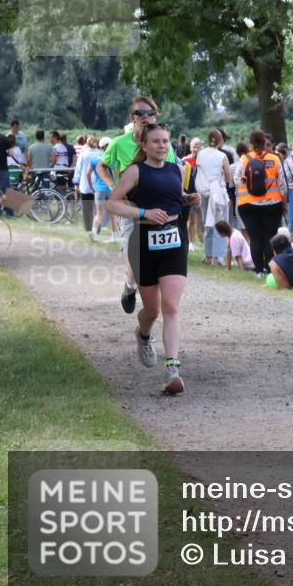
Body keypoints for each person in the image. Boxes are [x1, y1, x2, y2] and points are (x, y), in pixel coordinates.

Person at [105, 123, 200, 394]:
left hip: (174, 241)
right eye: (156, 141)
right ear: (144, 145)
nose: (162, 146)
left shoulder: (177, 169)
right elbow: (112, 203)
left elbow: (175, 197)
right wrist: (144, 213)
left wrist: (189, 199)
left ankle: (172, 369)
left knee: (171, 305)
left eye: (165, 141)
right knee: (152, 311)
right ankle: (144, 335)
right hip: (144, 243)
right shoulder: (135, 171)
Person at [97, 96, 179, 314]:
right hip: (130, 206)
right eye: (140, 113)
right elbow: (101, 167)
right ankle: (130, 285)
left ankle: (156, 304)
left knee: (159, 261)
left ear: (155, 117)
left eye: (150, 113)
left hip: (157, 207)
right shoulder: (119, 143)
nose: (145, 117)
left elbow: (171, 173)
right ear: (132, 117)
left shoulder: (163, 144)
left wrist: (185, 196)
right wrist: (114, 185)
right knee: (134, 264)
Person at [235, 129, 287, 276]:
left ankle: (259, 271)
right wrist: (284, 204)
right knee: (269, 237)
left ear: (251, 143)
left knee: (255, 237)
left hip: (248, 205)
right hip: (272, 205)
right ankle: (270, 269)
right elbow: (282, 185)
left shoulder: (244, 159)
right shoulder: (274, 159)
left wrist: (247, 181)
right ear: (265, 142)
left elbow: (237, 180)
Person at [196, 129, 232, 265]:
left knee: (207, 223)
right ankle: (217, 258)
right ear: (220, 140)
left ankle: (208, 255)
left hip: (204, 192)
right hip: (217, 194)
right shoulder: (222, 156)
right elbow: (228, 177)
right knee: (220, 223)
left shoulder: (200, 154)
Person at [89, 137, 115, 241]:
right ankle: (114, 237)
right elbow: (114, 174)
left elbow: (88, 173)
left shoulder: (95, 158)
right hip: (111, 189)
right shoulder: (111, 157)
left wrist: (91, 187)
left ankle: (94, 233)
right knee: (113, 214)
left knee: (99, 214)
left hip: (99, 189)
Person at [73, 135, 100, 232]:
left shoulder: (83, 154)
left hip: (85, 185)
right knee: (98, 209)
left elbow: (78, 169)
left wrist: (76, 182)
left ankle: (88, 227)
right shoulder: (101, 154)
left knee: (86, 209)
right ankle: (97, 228)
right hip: (98, 184)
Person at [275, 142, 293, 239]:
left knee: (291, 214)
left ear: (284, 154)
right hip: (279, 192)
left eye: (279, 154)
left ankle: (290, 235)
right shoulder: (276, 164)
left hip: (290, 191)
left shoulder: (288, 163)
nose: (277, 156)